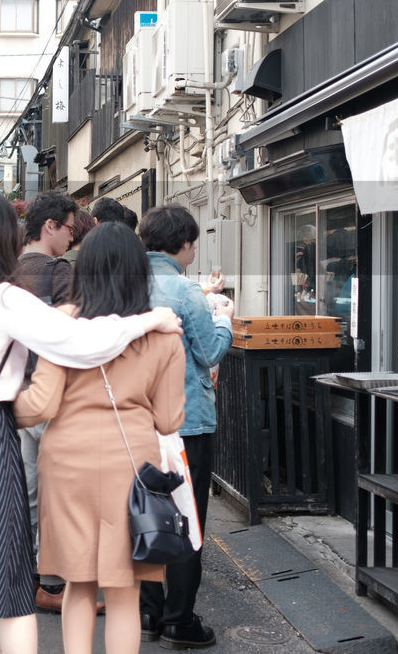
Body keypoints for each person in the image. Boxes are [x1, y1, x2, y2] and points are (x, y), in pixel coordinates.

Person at [0, 191, 184, 654]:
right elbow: (80, 343)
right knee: (11, 589)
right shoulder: (6, 300)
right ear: (4, 235)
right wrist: (149, 321)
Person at [15, 222, 186, 654]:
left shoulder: (61, 323)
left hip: (66, 461)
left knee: (79, 583)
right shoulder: (162, 333)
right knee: (123, 590)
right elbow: (168, 421)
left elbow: (43, 403)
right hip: (131, 469)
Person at [137, 204, 234, 649]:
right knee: (185, 518)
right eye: (193, 242)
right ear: (182, 243)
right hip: (186, 420)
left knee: (147, 512)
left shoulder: (129, 282)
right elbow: (210, 352)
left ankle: (149, 611)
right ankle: (179, 618)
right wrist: (224, 319)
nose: (194, 250)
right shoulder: (185, 290)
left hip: (139, 418)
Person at [11, 190, 78, 613]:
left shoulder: (6, 271)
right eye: (70, 229)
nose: (73, 237)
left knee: (26, 493)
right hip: (52, 398)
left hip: (13, 398)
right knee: (55, 496)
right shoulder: (59, 273)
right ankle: (51, 584)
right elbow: (73, 336)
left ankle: (21, 578)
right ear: (49, 226)